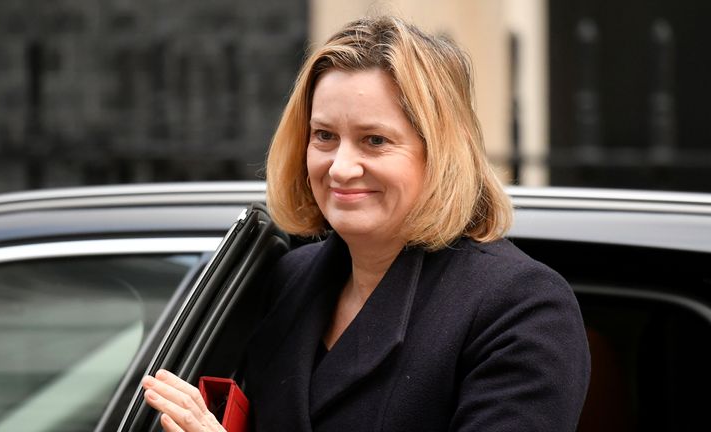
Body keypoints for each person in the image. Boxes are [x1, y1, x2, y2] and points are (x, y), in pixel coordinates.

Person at [141, 15, 590, 432]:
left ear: (440, 154)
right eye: (324, 136)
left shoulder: (521, 307)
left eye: (374, 141)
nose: (340, 168)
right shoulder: (287, 280)